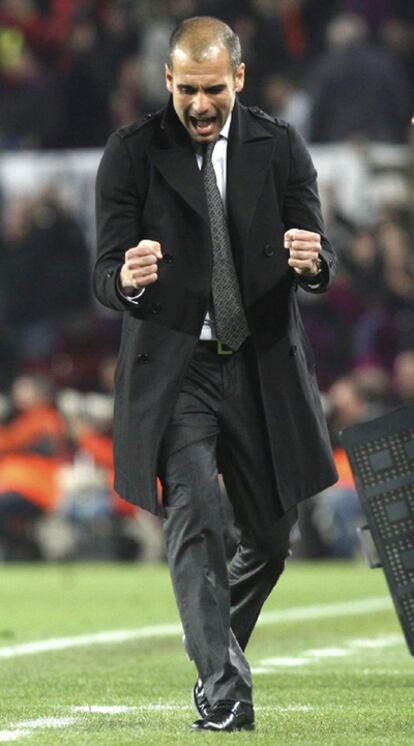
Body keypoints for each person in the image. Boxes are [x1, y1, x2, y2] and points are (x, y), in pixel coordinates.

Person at [94, 15, 337, 733]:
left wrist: (314, 261)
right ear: (167, 81)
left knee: (270, 538)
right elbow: (104, 275)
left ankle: (208, 640)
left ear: (238, 78)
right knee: (195, 519)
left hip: (261, 365)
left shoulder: (280, 145)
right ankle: (225, 690)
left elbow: (320, 249)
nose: (200, 106)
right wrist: (128, 280)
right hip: (178, 369)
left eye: (213, 91)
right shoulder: (132, 154)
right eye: (186, 90)